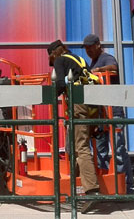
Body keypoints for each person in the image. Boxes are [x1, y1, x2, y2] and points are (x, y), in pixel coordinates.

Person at [47, 40, 101, 214]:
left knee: (81, 147)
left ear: (54, 53)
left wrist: (48, 97)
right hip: (91, 105)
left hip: (78, 106)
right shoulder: (78, 58)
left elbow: (61, 84)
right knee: (76, 147)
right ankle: (77, 185)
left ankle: (92, 191)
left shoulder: (60, 60)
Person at [83, 33, 134, 195]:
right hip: (99, 114)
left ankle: (126, 188)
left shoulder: (106, 58)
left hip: (113, 112)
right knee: (101, 153)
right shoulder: (91, 63)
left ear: (98, 45)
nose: (88, 51)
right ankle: (107, 188)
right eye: (86, 48)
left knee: (119, 151)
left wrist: (98, 70)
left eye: (90, 47)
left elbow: (113, 68)